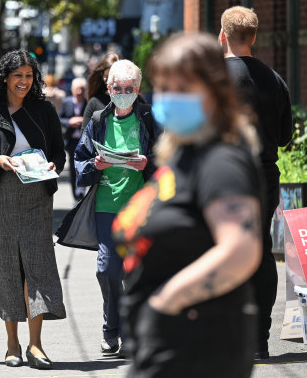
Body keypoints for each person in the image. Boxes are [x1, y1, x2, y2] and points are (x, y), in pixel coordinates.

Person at [112, 32, 263, 377]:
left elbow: (240, 251)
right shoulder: (183, 157)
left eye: (183, 88)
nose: (169, 98)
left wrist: (167, 301)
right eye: (164, 87)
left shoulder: (221, 161)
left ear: (215, 92)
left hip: (197, 348)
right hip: (166, 348)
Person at [0, 49, 67, 370]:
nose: (23, 82)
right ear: (5, 78)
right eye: (17, 76)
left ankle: (36, 345)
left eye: (28, 76)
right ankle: (12, 344)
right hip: (0, 198)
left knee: (36, 267)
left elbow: (60, 154)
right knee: (10, 268)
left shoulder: (43, 110)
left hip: (37, 196)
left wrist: (54, 164)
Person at [71, 59, 161, 356]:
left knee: (139, 271)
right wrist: (94, 165)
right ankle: (112, 327)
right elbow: (80, 159)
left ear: (138, 90)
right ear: (108, 89)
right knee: (107, 269)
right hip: (106, 207)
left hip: (142, 208)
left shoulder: (149, 118)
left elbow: (169, 158)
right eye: (117, 88)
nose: (123, 92)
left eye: (129, 88)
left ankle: (136, 330)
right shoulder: (98, 120)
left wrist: (149, 162)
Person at [219, 5, 293, 360]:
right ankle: (259, 340)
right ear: (254, 37)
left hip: (222, 175)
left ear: (222, 35)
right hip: (264, 176)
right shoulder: (275, 79)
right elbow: (284, 138)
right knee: (261, 251)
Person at [59, 77, 88, 201]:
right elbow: (60, 119)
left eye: (82, 89)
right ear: (72, 90)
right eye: (77, 89)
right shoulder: (67, 102)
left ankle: (81, 191)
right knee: (72, 167)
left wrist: (82, 121)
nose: (79, 92)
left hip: (84, 141)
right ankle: (75, 194)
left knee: (83, 166)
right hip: (71, 141)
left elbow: (93, 118)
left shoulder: (88, 103)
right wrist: (70, 122)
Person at [82, 53, 121, 131]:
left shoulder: (135, 101)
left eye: (116, 77)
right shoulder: (94, 102)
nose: (112, 82)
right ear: (103, 77)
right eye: (108, 77)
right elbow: (85, 138)